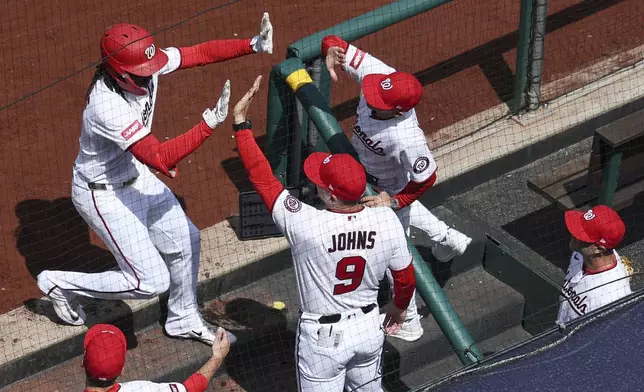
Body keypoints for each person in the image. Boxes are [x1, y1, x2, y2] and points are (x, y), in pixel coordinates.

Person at [35, 13, 274, 346]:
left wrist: (251, 44)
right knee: (150, 282)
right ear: (119, 71)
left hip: (135, 176)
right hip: (103, 195)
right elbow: (160, 157)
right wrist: (208, 123)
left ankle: (183, 318)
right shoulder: (105, 107)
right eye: (140, 72)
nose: (149, 75)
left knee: (187, 240)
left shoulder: (144, 64)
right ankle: (59, 284)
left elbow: (199, 54)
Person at [230, 75, 416, 391]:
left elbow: (262, 178)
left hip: (322, 341)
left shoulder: (306, 224)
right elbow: (405, 279)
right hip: (369, 329)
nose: (316, 184)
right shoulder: (386, 220)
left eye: (321, 183)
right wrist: (398, 309)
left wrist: (241, 126)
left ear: (331, 196)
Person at [321, 35, 472, 341]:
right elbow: (333, 41)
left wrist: (393, 201)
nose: (372, 99)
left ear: (400, 111)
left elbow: (426, 178)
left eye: (381, 104)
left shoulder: (407, 137)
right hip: (370, 178)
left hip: (387, 189)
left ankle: (409, 322)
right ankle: (450, 240)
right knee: (400, 246)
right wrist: (330, 54)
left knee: (395, 259)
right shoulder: (381, 76)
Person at [82, 323, 230, 392]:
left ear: (83, 363)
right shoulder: (142, 389)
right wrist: (217, 356)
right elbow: (191, 388)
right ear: (122, 369)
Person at [556, 205, 633, 326]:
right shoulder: (581, 253)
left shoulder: (608, 300)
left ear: (598, 249)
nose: (573, 234)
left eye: (581, 235)